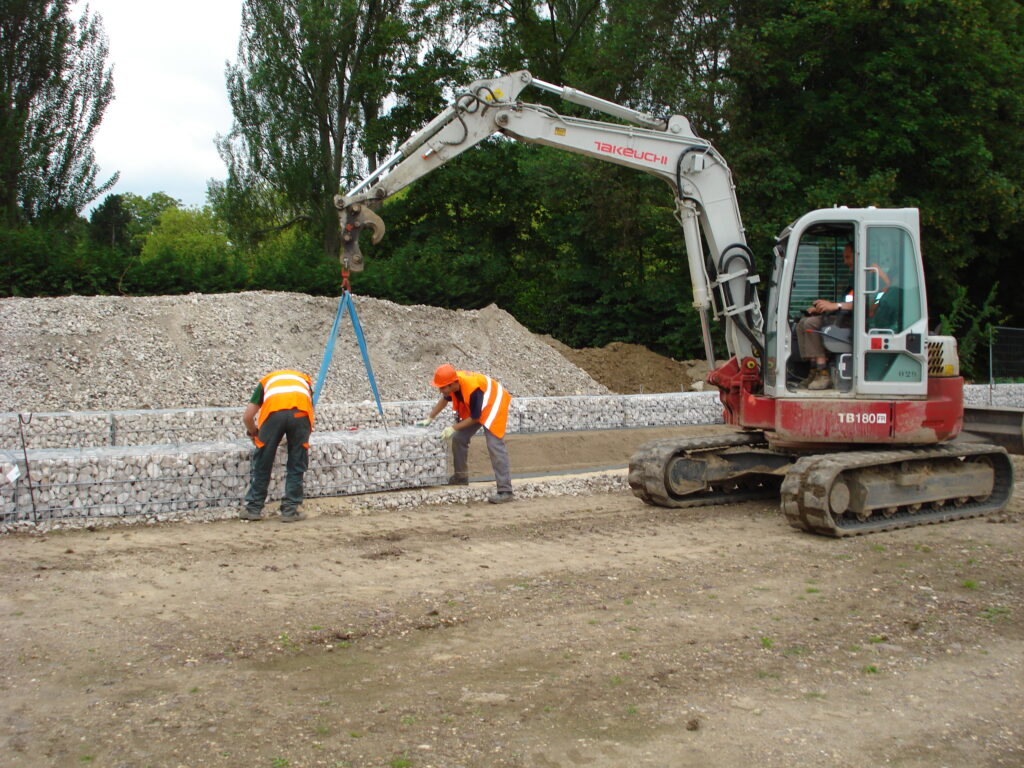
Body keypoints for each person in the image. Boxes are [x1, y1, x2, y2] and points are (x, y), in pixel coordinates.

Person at [417, 364, 514, 504]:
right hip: (479, 406)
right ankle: (461, 477)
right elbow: (445, 399)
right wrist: (430, 418)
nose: (440, 390)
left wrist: (452, 428)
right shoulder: (453, 384)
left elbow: (475, 417)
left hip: (494, 403)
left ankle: (505, 490)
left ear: (452, 384)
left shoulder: (472, 389)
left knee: (494, 445)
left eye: (442, 387)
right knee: (459, 438)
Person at [240, 369, 314, 522]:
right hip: (301, 415)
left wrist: (254, 433)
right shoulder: (305, 381)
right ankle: (290, 510)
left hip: (273, 415)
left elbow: (247, 417)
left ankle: (253, 509)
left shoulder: (266, 382)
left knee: (263, 461)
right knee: (297, 461)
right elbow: (305, 407)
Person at [795, 243, 856, 390]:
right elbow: (848, 302)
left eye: (848, 257)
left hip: (856, 322)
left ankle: (822, 372)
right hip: (844, 316)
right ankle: (813, 370)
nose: (845, 261)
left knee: (811, 324)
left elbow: (865, 304)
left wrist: (834, 306)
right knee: (802, 323)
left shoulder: (868, 276)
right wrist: (824, 309)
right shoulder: (854, 277)